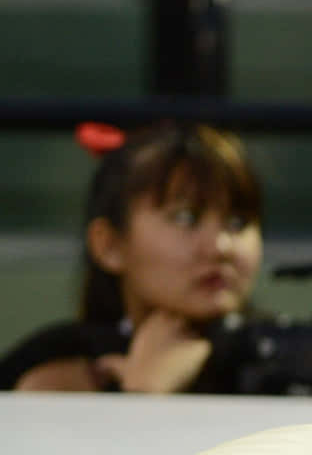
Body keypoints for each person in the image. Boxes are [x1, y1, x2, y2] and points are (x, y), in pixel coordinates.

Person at [0, 121, 264, 393]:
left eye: (237, 223)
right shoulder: (57, 364)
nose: (220, 247)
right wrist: (142, 395)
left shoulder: (288, 359)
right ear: (110, 245)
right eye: (185, 218)